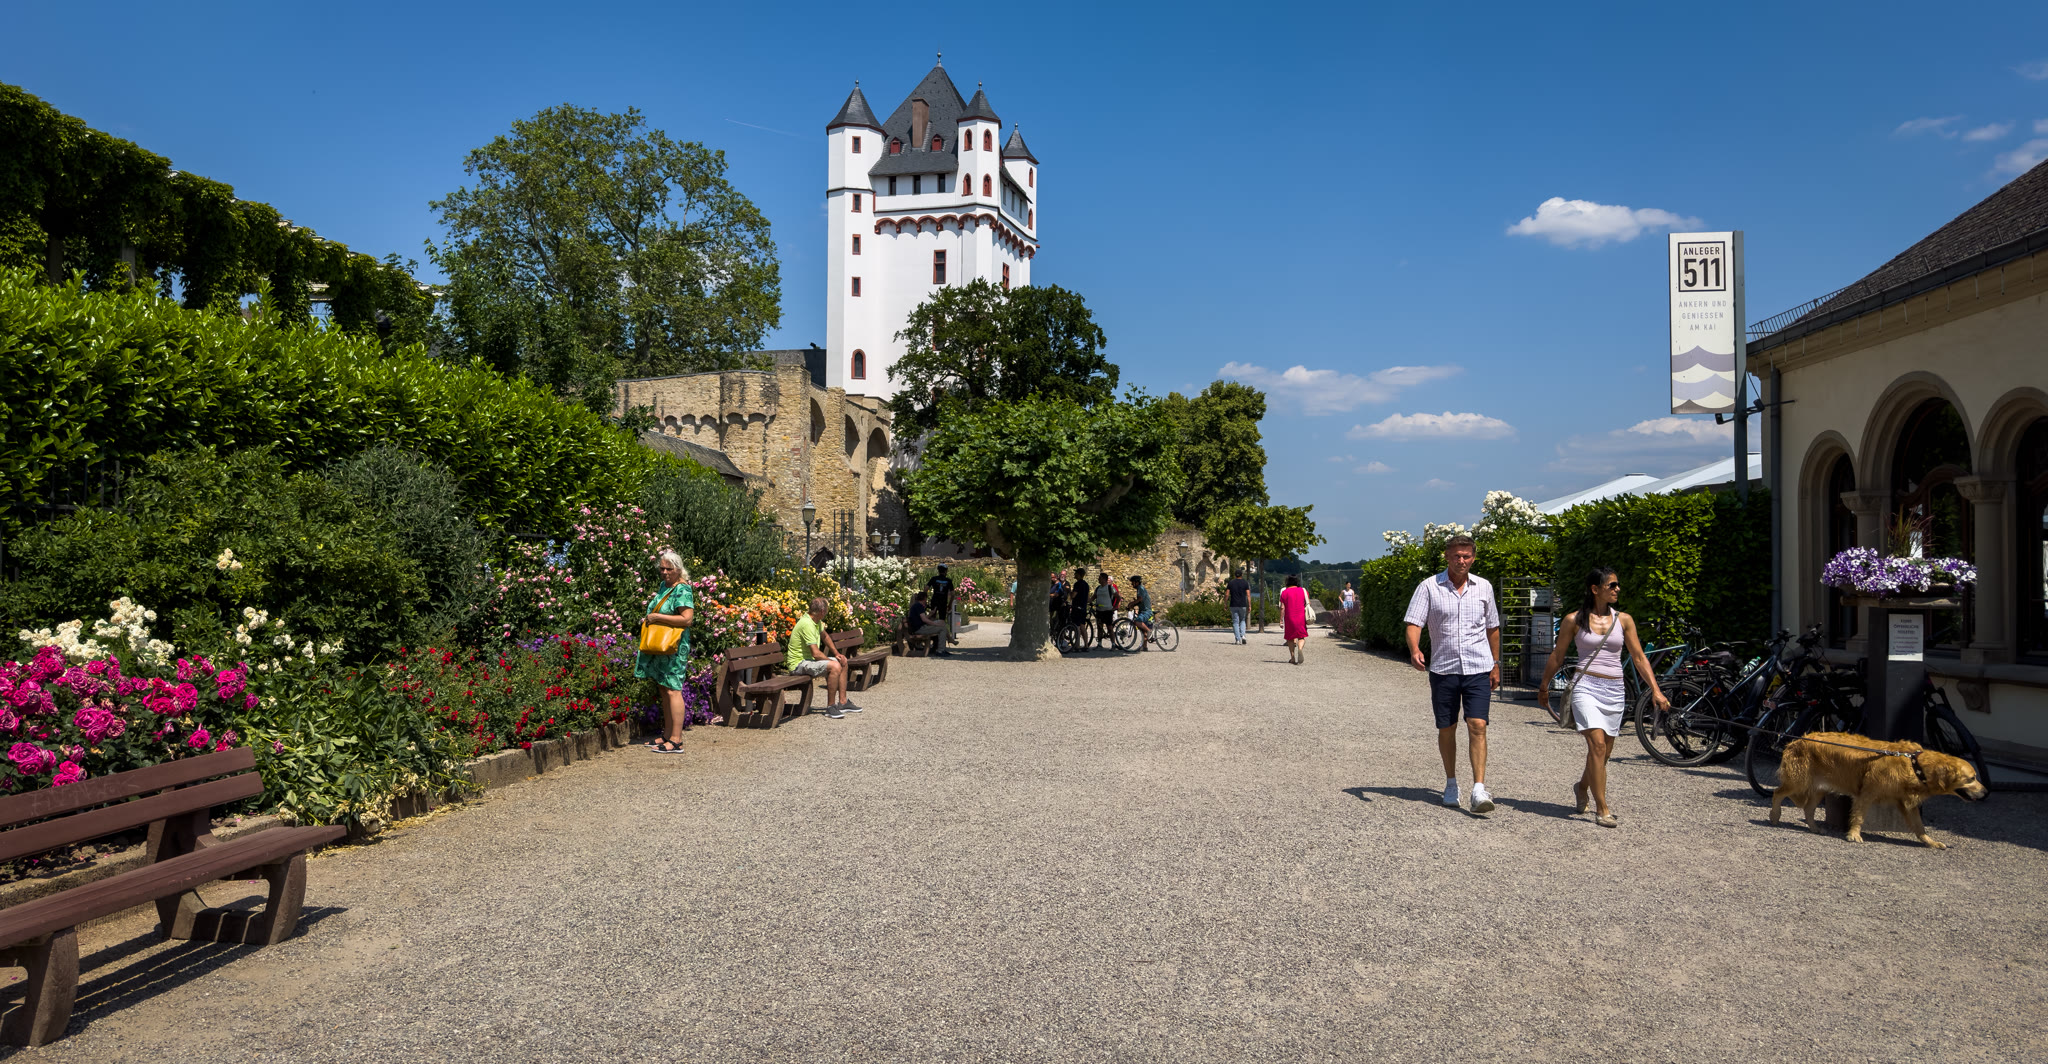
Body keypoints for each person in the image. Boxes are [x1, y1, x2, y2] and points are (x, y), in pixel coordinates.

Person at [1537, 567, 1668, 828]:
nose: (1617, 589)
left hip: (1615, 689)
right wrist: (1544, 687)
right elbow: (1558, 655)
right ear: (1595, 589)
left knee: (1604, 753)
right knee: (1597, 746)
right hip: (1585, 686)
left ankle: (1581, 786)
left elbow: (1639, 657)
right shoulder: (1573, 620)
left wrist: (1656, 689)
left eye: (1617, 585)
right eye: (1612, 585)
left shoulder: (1624, 620)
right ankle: (1602, 808)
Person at [1403, 534, 1502, 813]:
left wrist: (1496, 663)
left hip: (1478, 667)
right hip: (1444, 668)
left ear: (1473, 558)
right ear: (1446, 557)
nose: (1461, 560)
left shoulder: (1484, 587)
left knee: (1478, 724)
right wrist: (1414, 649)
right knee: (1447, 727)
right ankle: (1451, 782)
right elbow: (1413, 622)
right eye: (1456, 555)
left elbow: (1492, 627)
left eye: (1466, 556)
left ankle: (1479, 789)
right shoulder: (1429, 587)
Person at [635, 551, 696, 753]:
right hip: (662, 647)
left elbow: (687, 619)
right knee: (664, 688)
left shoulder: (682, 589)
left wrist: (657, 617)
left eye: (669, 569)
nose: (664, 572)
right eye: (662, 568)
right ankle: (667, 735)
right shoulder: (665, 586)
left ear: (678, 569)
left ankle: (676, 740)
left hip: (675, 647)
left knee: (673, 689)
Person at [787, 596, 856, 718]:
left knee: (843, 662)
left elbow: (825, 636)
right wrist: (832, 661)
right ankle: (830, 707)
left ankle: (843, 702)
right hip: (798, 665)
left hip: (808, 661)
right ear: (822, 611)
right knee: (835, 666)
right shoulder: (807, 624)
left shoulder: (815, 621)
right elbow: (816, 653)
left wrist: (837, 654)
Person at [926, 565, 957, 652]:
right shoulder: (948, 581)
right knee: (942, 621)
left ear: (938, 571)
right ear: (946, 571)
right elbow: (953, 594)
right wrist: (950, 604)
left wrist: (925, 598)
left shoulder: (934, 579)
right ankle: (947, 639)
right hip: (943, 603)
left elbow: (926, 588)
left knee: (932, 619)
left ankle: (935, 641)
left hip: (934, 601)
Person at [1281, 574, 1309, 664]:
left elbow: (1282, 607)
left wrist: (1281, 620)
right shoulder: (1303, 590)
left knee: (1290, 638)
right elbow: (1308, 603)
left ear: (1287, 582)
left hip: (1289, 617)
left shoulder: (1284, 592)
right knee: (1301, 637)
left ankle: (1292, 657)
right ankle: (1300, 649)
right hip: (1301, 616)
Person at [1226, 569, 1251, 644]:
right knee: (1242, 620)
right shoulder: (1245, 583)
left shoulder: (1231, 583)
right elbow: (1248, 595)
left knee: (1235, 622)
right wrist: (1249, 605)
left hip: (1233, 604)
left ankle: (1237, 639)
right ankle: (1243, 635)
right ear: (1242, 575)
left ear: (1235, 575)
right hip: (1242, 604)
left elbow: (1227, 594)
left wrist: (1225, 603)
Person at [1092, 570, 1116, 647]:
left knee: (1109, 627)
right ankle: (1099, 644)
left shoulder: (1110, 588)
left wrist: (1115, 607)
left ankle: (1113, 644)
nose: (1098, 579)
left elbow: (1118, 597)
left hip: (1108, 610)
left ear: (1103, 579)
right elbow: (1093, 597)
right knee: (1099, 627)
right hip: (1099, 610)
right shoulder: (1098, 588)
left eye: (1099, 578)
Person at [1130, 575, 1154, 650]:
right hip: (1143, 611)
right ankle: (1145, 646)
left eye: (1133, 582)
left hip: (1146, 611)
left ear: (1137, 582)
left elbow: (1140, 599)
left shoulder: (1140, 588)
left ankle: (1149, 631)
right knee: (1143, 629)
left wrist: (1132, 603)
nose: (1132, 584)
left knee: (1137, 622)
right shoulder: (1140, 589)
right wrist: (1133, 604)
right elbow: (1140, 601)